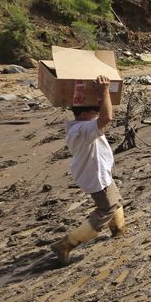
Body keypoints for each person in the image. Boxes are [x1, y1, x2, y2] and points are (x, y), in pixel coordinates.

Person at [51, 76, 125, 265]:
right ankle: (66, 244)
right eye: (94, 110)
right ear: (85, 113)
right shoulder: (84, 129)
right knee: (106, 208)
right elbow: (107, 117)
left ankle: (118, 229)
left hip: (99, 173)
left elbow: (102, 117)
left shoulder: (80, 126)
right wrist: (105, 91)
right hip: (96, 177)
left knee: (115, 201)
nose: (97, 113)